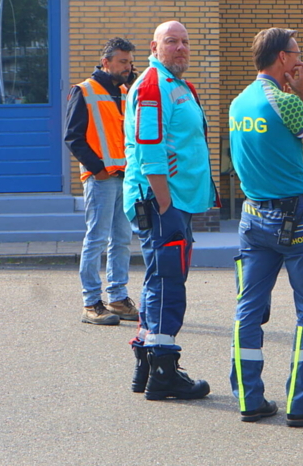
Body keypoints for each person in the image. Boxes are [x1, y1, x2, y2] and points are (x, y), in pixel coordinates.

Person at [228, 27, 303, 427]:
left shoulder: (239, 101)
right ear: (281, 58)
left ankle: (248, 398)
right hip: (297, 219)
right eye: (297, 53)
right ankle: (302, 402)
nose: (301, 60)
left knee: (248, 308)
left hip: (253, 216)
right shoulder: (285, 102)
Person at [123, 21, 214, 400]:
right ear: (154, 46)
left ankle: (146, 363)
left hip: (178, 199)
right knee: (168, 282)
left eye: (185, 42)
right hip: (163, 202)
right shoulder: (151, 84)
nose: (180, 48)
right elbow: (149, 146)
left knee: (159, 278)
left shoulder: (179, 85)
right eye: (171, 41)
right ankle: (163, 370)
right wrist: (162, 198)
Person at [64, 37, 139, 326]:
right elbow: (73, 138)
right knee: (96, 239)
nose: (127, 67)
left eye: (130, 62)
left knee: (121, 239)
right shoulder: (84, 91)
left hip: (124, 177)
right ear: (106, 62)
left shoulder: (124, 91)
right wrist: (98, 169)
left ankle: (118, 299)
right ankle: (91, 303)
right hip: (102, 178)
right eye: (122, 62)